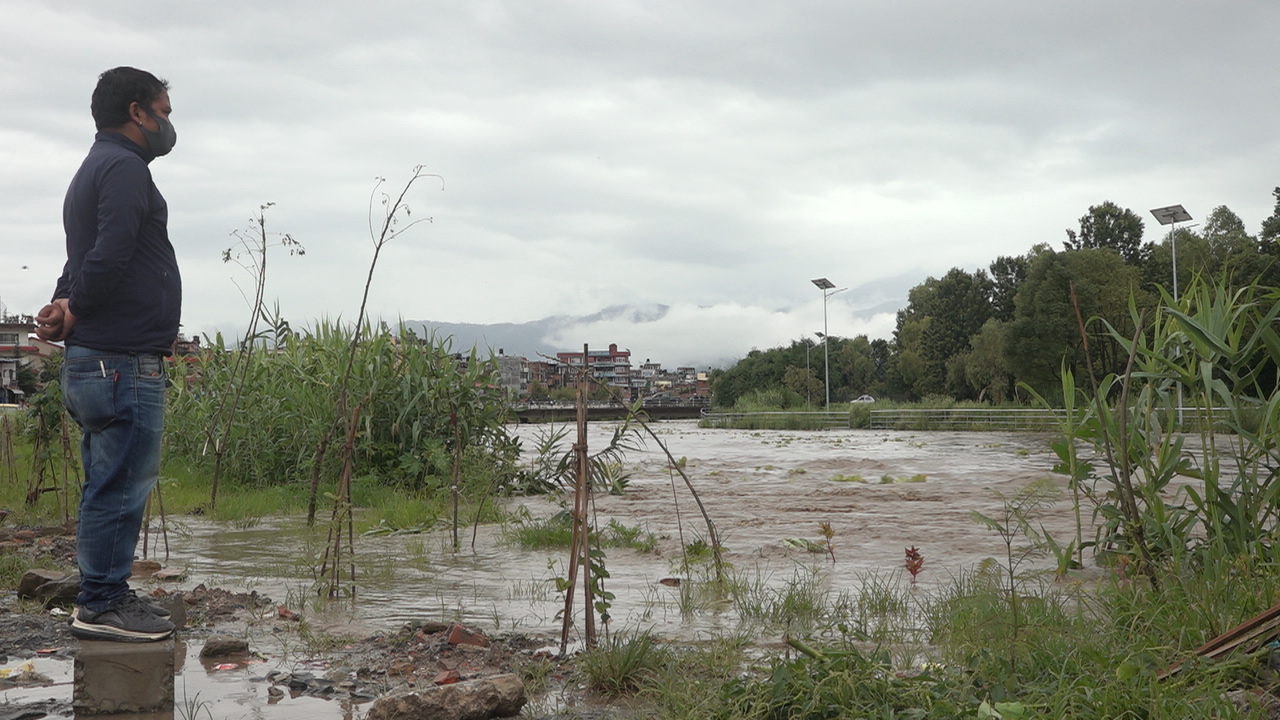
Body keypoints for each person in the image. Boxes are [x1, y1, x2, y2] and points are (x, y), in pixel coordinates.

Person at [36, 67, 181, 642]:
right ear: (138, 111)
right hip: (119, 360)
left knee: (108, 478)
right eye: (164, 112)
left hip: (104, 360)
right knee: (120, 483)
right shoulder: (122, 166)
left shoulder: (96, 167)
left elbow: (86, 255)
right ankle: (102, 602)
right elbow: (113, 253)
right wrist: (75, 310)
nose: (169, 125)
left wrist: (63, 300)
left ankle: (105, 592)